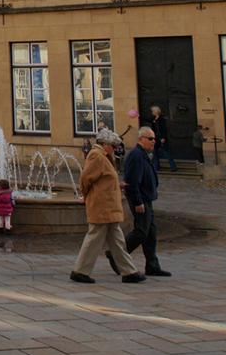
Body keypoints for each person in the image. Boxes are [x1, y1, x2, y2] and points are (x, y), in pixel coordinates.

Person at [72, 128, 143, 284]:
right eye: (113, 145)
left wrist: (117, 184)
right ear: (104, 144)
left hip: (108, 206)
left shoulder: (104, 156)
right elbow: (85, 178)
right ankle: (80, 271)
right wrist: (85, 195)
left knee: (117, 241)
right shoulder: (96, 156)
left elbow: (103, 179)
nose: (115, 148)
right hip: (101, 206)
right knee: (94, 237)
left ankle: (129, 271)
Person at [124, 126, 170, 277]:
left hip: (147, 198)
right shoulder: (136, 155)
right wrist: (138, 202)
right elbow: (131, 181)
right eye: (150, 138)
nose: (153, 141)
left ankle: (152, 265)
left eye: (154, 138)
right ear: (140, 139)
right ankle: (117, 254)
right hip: (141, 199)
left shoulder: (143, 154)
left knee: (150, 233)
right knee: (141, 231)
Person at [149, 106, 176, 172]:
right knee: (155, 153)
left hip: (161, 138)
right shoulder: (153, 119)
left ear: (156, 112)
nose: (152, 112)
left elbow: (164, 129)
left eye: (152, 111)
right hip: (155, 138)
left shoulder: (162, 119)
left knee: (167, 152)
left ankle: (173, 167)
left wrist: (163, 137)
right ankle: (156, 167)